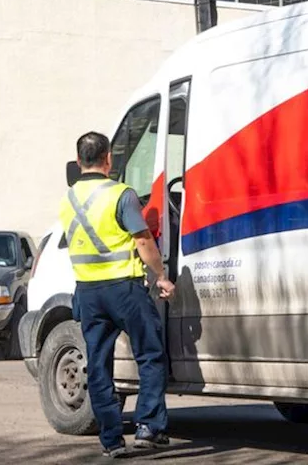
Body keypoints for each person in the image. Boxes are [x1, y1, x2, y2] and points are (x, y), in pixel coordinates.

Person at [59, 131, 177, 458]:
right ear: (108, 159)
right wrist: (161, 277)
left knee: (97, 366)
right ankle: (149, 427)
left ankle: (112, 440)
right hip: (124, 289)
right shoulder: (121, 194)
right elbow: (142, 241)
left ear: (79, 161)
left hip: (87, 293)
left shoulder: (67, 200)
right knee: (150, 355)